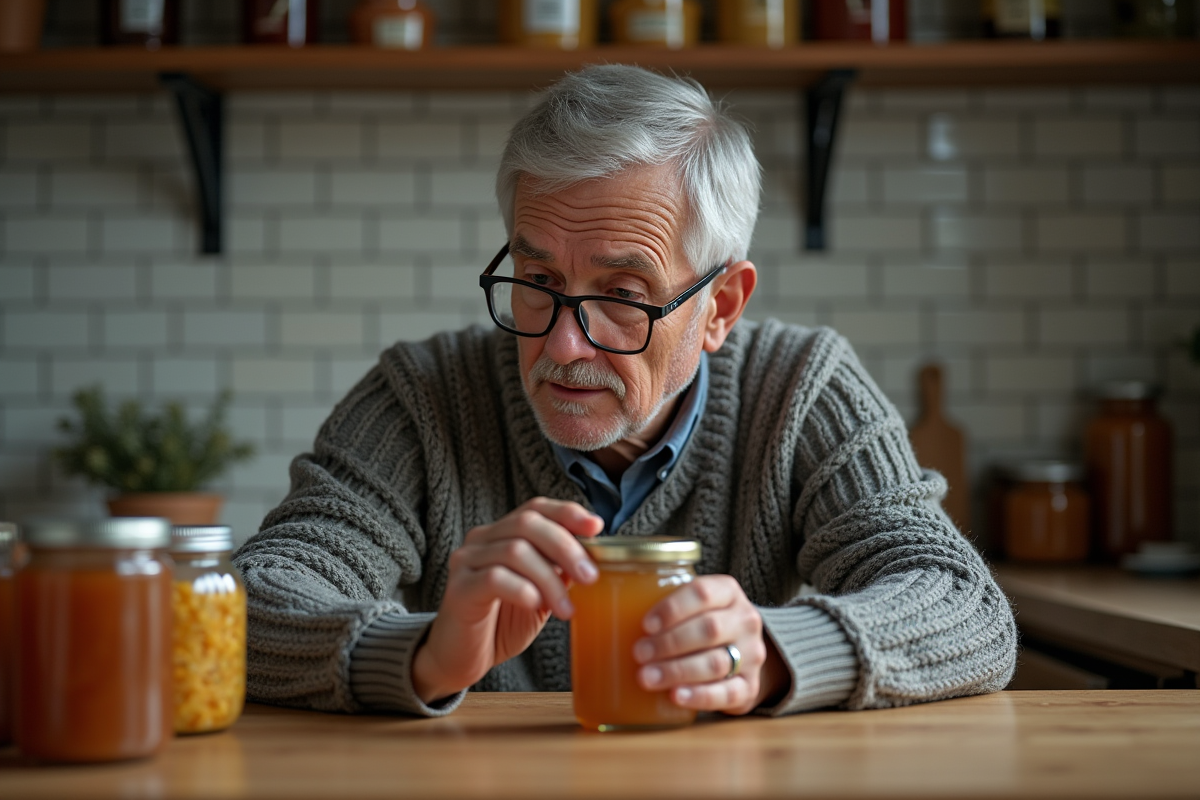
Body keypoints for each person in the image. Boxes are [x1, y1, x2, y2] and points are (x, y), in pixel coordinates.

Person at [233, 64, 1016, 719]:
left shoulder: (801, 389)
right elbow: (247, 602)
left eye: (624, 293)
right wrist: (424, 655)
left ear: (721, 308)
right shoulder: (423, 397)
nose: (563, 345)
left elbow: (964, 607)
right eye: (538, 281)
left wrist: (774, 654)